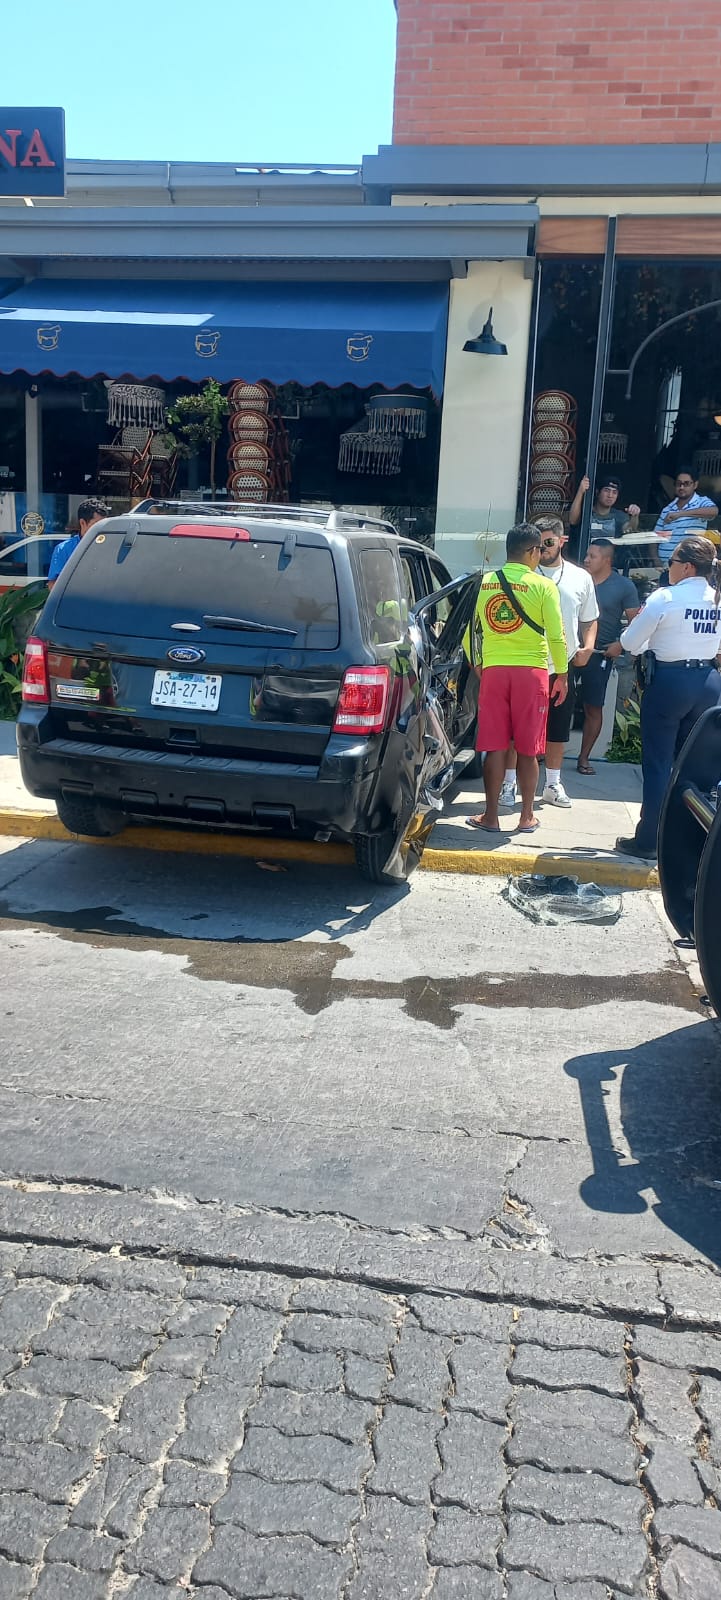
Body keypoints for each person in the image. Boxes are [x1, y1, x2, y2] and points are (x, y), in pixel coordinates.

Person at [615, 535, 721, 860]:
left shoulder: (665, 597)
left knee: (659, 765)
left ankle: (649, 840)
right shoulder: (717, 598)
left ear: (687, 567)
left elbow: (630, 641)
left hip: (670, 682)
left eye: (672, 562)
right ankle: (688, 843)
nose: (668, 567)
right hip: (708, 683)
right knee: (696, 769)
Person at [467, 522, 567, 835]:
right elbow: (556, 636)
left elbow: (470, 633)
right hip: (533, 673)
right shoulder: (544, 586)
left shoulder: (486, 583)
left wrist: (479, 664)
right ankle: (526, 817)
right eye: (540, 549)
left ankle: (491, 816)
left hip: (495, 672)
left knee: (495, 747)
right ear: (531, 551)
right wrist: (561, 674)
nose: (542, 554)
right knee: (528, 748)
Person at [499, 516, 599, 810]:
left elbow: (589, 617)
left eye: (549, 542)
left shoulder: (580, 577)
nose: (542, 548)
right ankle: (508, 783)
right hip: (524, 663)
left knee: (558, 728)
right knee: (516, 730)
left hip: (561, 666)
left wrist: (589, 645)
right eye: (538, 543)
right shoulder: (522, 575)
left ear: (562, 541)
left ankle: (553, 783)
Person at [576, 538, 641, 775]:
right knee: (553, 703)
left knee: (593, 707)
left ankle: (583, 758)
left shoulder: (624, 586)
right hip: (569, 651)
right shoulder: (576, 578)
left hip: (599, 654)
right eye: (586, 555)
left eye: (592, 556)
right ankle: (543, 752)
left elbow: (637, 623)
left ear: (607, 560)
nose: (586, 560)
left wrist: (620, 645)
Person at [653, 469, 718, 565]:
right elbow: (655, 538)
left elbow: (713, 511)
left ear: (695, 485)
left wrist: (680, 514)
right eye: (678, 483)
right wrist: (656, 560)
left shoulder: (701, 502)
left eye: (686, 483)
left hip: (690, 566)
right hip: (665, 566)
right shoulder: (667, 509)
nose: (681, 487)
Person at [47, 497, 111, 586]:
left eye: (104, 525)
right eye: (97, 524)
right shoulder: (63, 549)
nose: (101, 529)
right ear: (82, 523)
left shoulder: (110, 548)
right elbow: (53, 585)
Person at [568, 475, 641, 542]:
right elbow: (573, 520)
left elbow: (629, 530)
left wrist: (635, 515)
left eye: (614, 492)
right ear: (597, 492)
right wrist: (581, 491)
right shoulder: (586, 513)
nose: (610, 495)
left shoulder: (619, 517)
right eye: (606, 490)